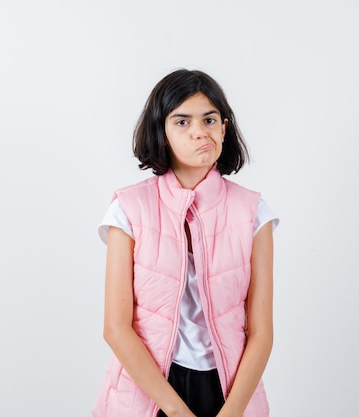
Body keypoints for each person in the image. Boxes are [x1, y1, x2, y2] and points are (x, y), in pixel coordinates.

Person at [92, 69, 279, 417]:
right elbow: (116, 328)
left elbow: (262, 331)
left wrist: (232, 411)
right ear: (160, 132)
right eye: (182, 122)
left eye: (209, 120)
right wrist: (177, 412)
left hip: (229, 391)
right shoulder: (128, 209)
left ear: (224, 128)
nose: (199, 132)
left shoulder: (253, 211)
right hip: (148, 390)